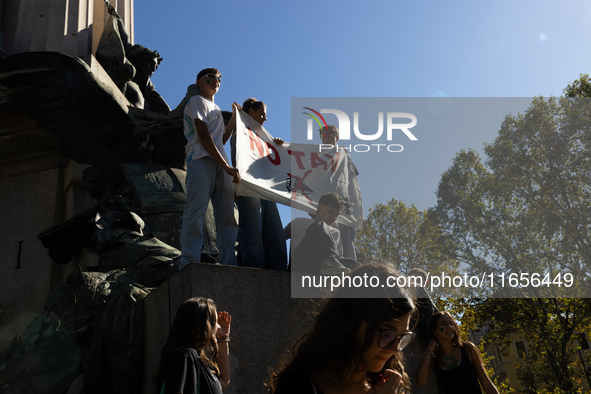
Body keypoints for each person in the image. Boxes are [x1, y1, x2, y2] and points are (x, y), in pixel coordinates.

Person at [271, 264, 416, 394]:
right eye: (387, 333)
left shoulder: (384, 387)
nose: (395, 349)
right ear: (350, 323)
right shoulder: (297, 386)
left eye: (403, 337)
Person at [177, 68, 241, 269]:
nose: (216, 81)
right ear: (199, 82)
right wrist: (227, 166)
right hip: (200, 160)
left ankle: (229, 262)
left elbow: (220, 139)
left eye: (219, 78)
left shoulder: (216, 109)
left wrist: (233, 119)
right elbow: (204, 137)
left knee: (227, 216)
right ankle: (188, 260)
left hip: (219, 164)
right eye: (211, 78)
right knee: (196, 210)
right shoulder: (196, 101)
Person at [231, 98, 288, 270]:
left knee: (276, 235)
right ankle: (255, 274)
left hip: (267, 190)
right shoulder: (240, 134)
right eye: (261, 114)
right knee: (253, 234)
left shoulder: (264, 140)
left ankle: (279, 274)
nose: (265, 119)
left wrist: (277, 148)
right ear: (250, 113)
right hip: (249, 188)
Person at [155, 297, 231, 394]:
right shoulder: (186, 355)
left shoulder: (195, 358)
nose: (219, 327)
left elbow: (224, 383)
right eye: (214, 322)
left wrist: (223, 338)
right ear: (199, 327)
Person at [416, 311, 500, 394]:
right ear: (434, 330)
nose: (449, 327)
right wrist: (429, 350)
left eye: (451, 323)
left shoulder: (468, 349)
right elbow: (420, 381)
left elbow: (487, 384)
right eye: (443, 323)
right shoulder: (435, 359)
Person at [318, 125, 359, 261]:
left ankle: (350, 275)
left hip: (345, 206)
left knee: (347, 242)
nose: (327, 138)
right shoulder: (314, 155)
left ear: (337, 137)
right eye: (324, 135)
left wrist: (359, 213)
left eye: (330, 135)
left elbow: (354, 185)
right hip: (323, 205)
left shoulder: (345, 156)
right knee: (328, 237)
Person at [286, 192, 352, 274]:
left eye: (337, 214)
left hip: (318, 271)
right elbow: (277, 238)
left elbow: (338, 260)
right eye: (331, 211)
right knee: (320, 225)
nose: (334, 218)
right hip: (297, 267)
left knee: (354, 265)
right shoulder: (299, 222)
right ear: (320, 207)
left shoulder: (335, 233)